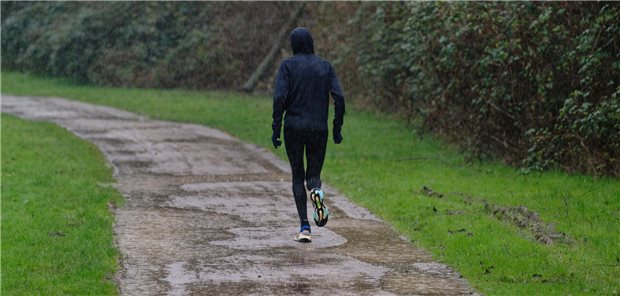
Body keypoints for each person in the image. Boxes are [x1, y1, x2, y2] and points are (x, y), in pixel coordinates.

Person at [271, 27, 345, 243]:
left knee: (297, 176)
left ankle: (304, 227)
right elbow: (339, 98)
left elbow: (279, 99)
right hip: (318, 129)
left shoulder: (287, 66)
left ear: (294, 44)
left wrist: (276, 127)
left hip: (293, 127)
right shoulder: (325, 66)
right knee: (313, 176)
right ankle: (316, 191)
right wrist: (337, 127)